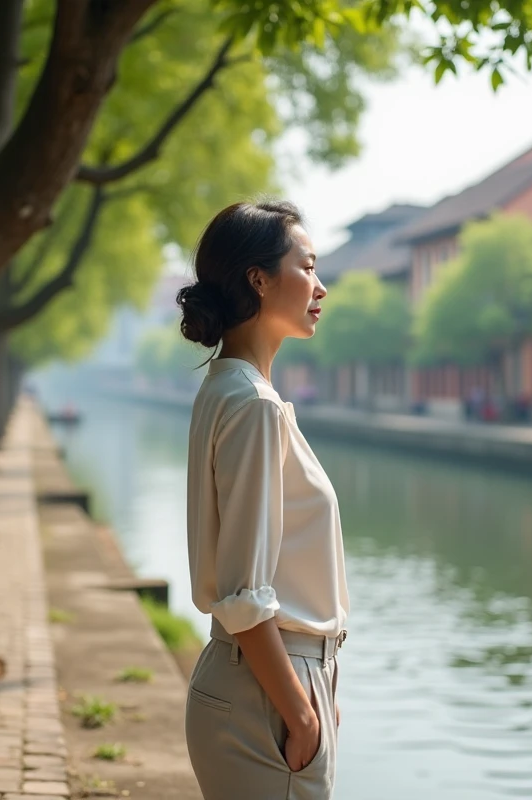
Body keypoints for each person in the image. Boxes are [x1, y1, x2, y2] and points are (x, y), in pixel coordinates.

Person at [177, 200, 349, 799]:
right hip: (267, 694)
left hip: (264, 684)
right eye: (307, 267)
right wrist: (301, 715)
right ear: (259, 278)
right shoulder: (253, 405)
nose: (320, 286)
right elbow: (244, 594)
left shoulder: (227, 386)